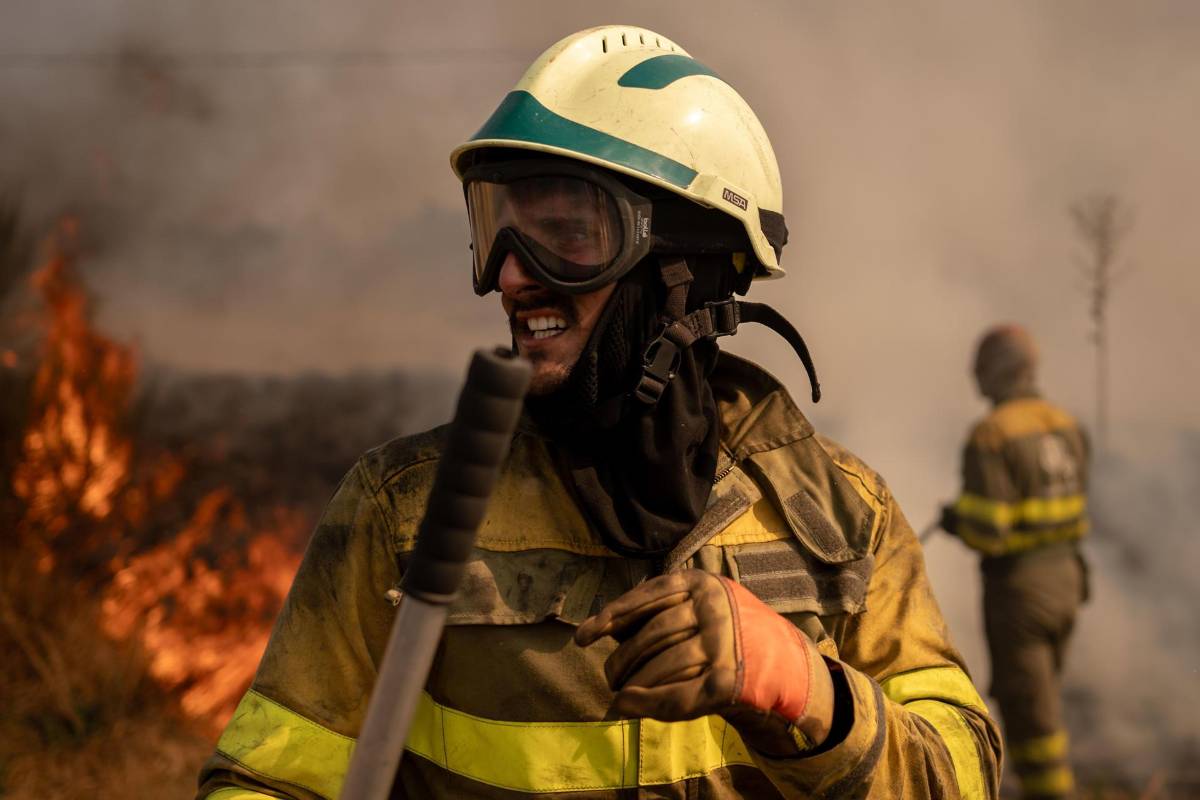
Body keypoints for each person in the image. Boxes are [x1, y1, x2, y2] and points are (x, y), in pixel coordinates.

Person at [197, 25, 1000, 799]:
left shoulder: (841, 515)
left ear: (687, 261)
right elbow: (270, 781)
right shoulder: (403, 512)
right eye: (497, 234)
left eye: (568, 234)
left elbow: (958, 780)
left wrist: (800, 686)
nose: (512, 277)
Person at [939, 324, 1089, 800]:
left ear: (996, 371)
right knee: (1042, 699)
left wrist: (955, 520)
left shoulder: (993, 434)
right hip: (1068, 580)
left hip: (1021, 593)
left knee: (1031, 718)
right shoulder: (1066, 424)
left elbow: (989, 531)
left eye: (979, 367)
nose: (973, 376)